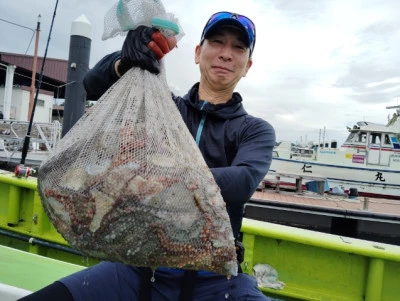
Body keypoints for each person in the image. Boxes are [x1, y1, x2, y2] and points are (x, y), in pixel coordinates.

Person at [20, 11, 276, 301]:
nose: (226, 54)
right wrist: (125, 60)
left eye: (238, 48)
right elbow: (93, 85)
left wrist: (154, 178)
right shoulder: (161, 109)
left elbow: (243, 181)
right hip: (137, 268)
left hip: (216, 279)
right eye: (217, 42)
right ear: (197, 53)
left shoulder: (255, 130)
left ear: (247, 65)